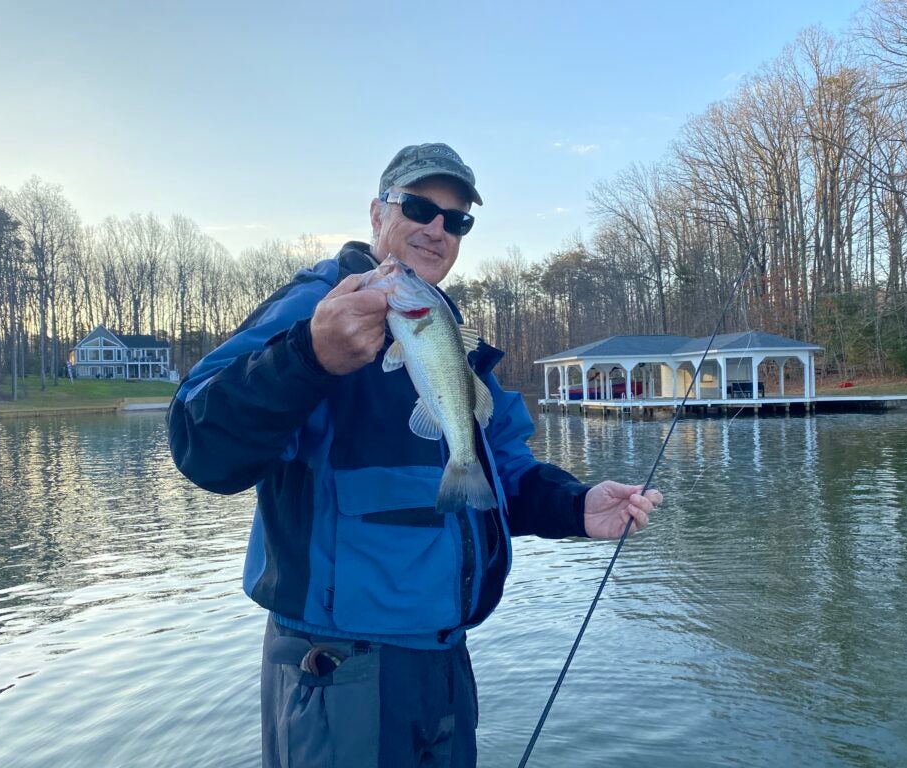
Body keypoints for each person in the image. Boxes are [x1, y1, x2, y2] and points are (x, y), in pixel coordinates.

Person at [167, 143, 663, 767]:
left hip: (444, 660)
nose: (437, 228)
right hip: (339, 667)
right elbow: (198, 442)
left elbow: (497, 463)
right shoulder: (316, 304)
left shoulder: (448, 329)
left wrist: (574, 506)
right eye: (420, 207)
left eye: (456, 220)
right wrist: (307, 357)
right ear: (378, 215)